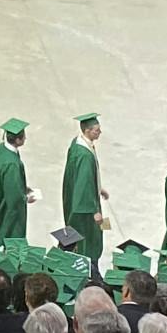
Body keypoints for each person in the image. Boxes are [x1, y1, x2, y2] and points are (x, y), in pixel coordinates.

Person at [63, 113, 109, 269]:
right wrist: (94, 210)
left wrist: (98, 187)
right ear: (88, 131)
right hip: (84, 208)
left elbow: (83, 177)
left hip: (76, 199)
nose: (100, 132)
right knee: (88, 239)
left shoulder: (77, 144)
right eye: (96, 130)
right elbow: (83, 186)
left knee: (74, 234)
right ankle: (89, 270)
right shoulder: (84, 155)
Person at [0, 119, 32, 244]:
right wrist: (26, 197)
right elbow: (14, 198)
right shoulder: (12, 164)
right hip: (4, 209)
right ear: (18, 140)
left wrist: (22, 187)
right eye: (24, 136)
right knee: (4, 239)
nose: (26, 138)